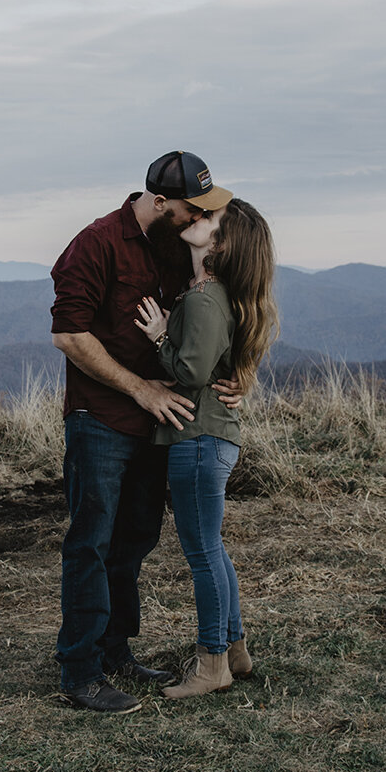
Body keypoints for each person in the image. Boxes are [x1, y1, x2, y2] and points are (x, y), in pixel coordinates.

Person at [49, 150, 241, 714]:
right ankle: (80, 671)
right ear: (161, 202)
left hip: (161, 426)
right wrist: (140, 389)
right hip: (102, 419)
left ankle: (115, 653)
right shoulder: (96, 244)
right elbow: (69, 336)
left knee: (134, 541)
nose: (199, 217)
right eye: (192, 208)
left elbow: (225, 311)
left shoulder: (177, 246)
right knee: (91, 541)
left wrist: (241, 373)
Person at [134, 197, 277, 699]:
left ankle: (211, 663)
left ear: (222, 243)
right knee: (212, 549)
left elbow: (191, 372)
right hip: (214, 439)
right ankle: (234, 651)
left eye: (211, 219)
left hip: (196, 439)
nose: (200, 219)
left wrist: (158, 338)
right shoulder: (216, 296)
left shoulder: (204, 298)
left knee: (201, 554)